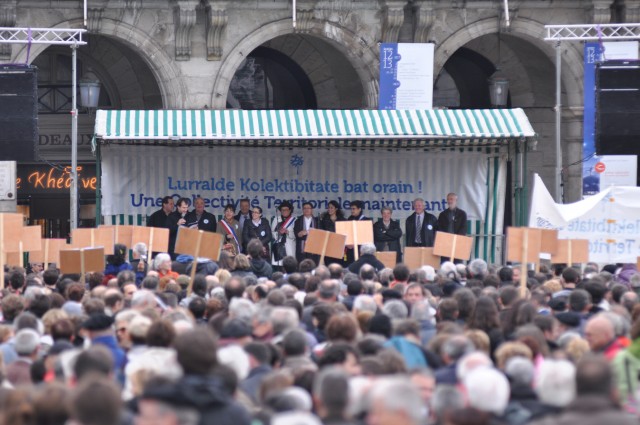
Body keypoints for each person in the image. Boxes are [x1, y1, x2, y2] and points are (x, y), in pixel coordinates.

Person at [271, 201, 297, 268]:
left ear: (290, 210)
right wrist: (279, 232)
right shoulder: (276, 219)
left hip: (290, 246)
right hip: (279, 246)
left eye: (286, 210)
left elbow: (296, 234)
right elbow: (272, 232)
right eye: (282, 210)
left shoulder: (294, 220)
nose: (284, 211)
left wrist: (288, 232)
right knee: (279, 267)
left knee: (290, 266)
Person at [346, 200, 371, 266]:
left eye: (354, 209)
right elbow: (346, 232)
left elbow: (367, 236)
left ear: (359, 209)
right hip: (350, 249)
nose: (352, 211)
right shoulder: (350, 219)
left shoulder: (366, 220)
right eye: (351, 209)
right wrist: (348, 243)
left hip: (361, 249)